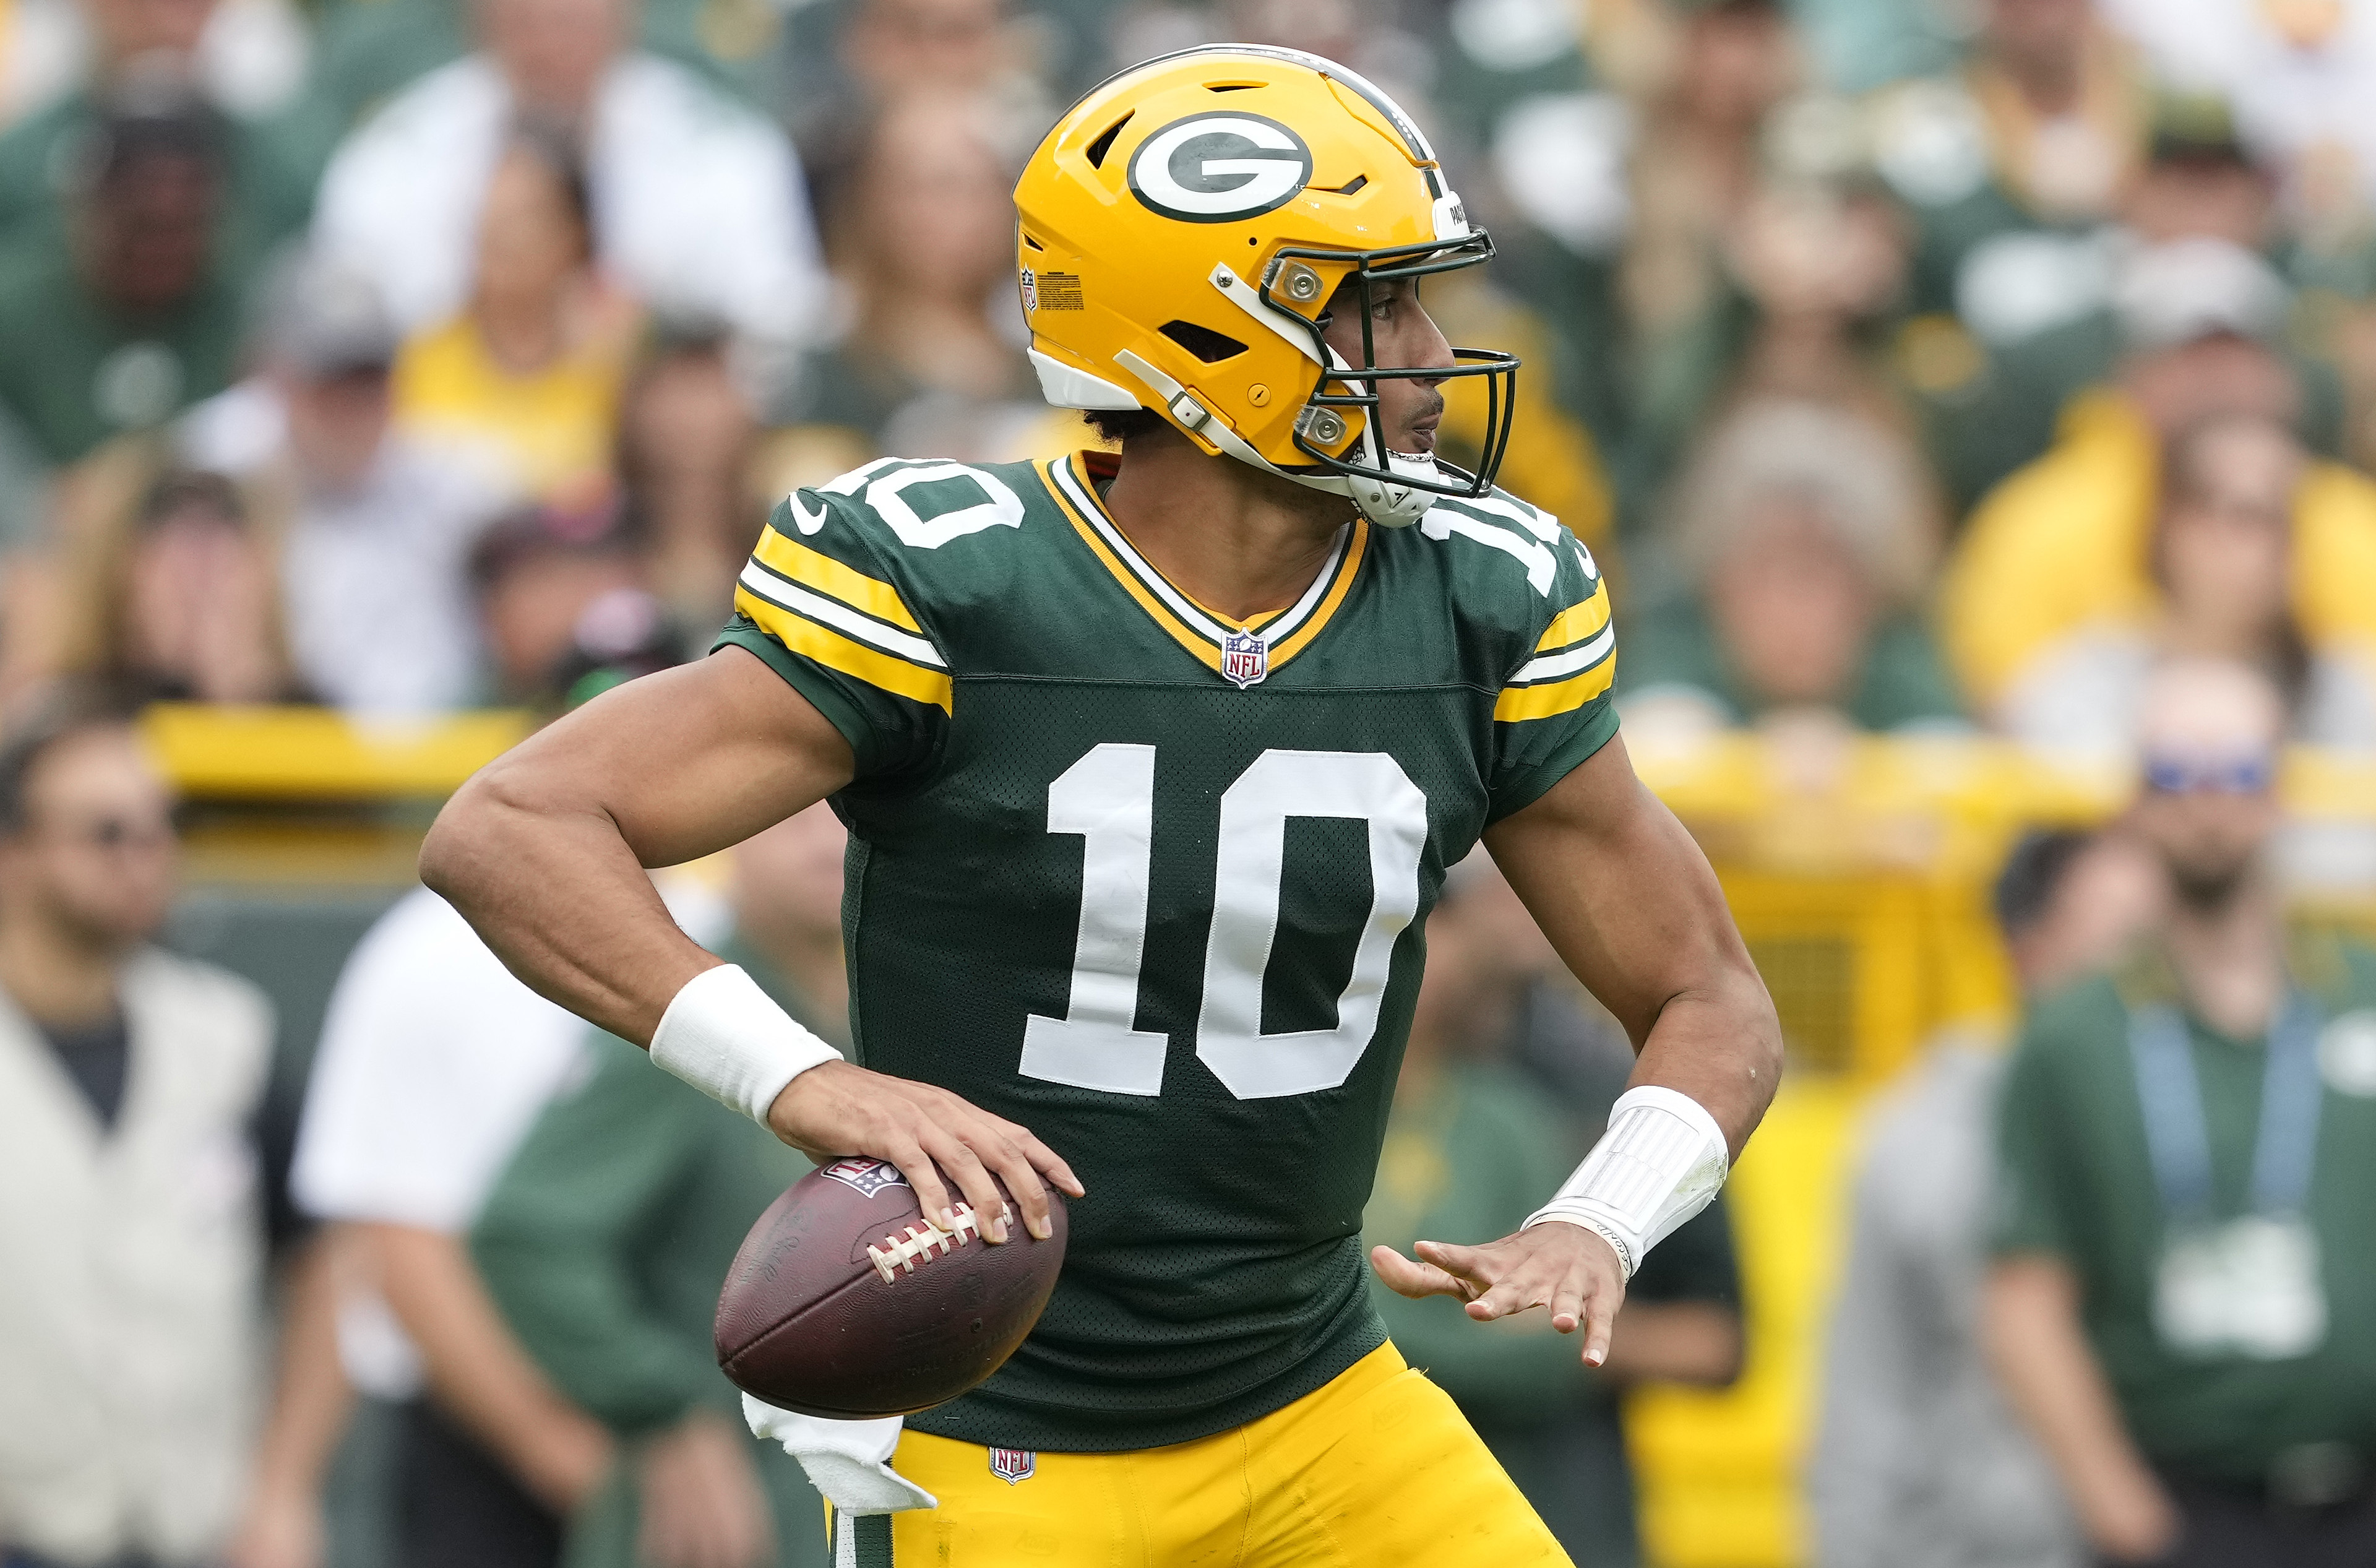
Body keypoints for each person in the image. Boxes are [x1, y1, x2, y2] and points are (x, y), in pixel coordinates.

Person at [421, 44, 1783, 1567]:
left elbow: (1708, 996)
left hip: (1317, 1403)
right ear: (1208, 331)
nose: (1423, 347)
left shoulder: (1479, 601)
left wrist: (1597, 1216)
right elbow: (508, 830)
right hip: (1003, 1442)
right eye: (1374, 302)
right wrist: (812, 1085)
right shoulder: (960, 581)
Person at [290, 693, 729, 1568]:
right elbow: (398, 1234)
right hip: (487, 1431)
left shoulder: (724, 933)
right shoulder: (423, 953)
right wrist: (552, 1443)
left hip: (689, 1427)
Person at [1986, 655, 2376, 1566]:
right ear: (2136, 797)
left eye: (2237, 771)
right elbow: (2024, 1298)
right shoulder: (2075, 1034)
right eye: (2177, 773)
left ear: (2281, 788)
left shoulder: (2361, 997)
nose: (2209, 800)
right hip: (2181, 1503)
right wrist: (2130, 1519)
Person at [471, 803, 852, 1568]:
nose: (821, 836)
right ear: (729, 833)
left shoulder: (919, 1012)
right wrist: (662, 1409)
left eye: (845, 810)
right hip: (735, 1520)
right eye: (789, 812)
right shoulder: (708, 1017)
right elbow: (528, 1229)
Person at [1367, 853, 1743, 1566]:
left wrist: (1535, 1334)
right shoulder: (1321, 1106)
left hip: (1548, 1496)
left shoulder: (1594, 1093)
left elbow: (1716, 1337)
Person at [1810, 825, 2167, 1568]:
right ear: (2028, 952)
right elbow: (1870, 1399)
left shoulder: (2240, 1112)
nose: (2162, 969)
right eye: (2130, 940)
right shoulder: (1925, 1141)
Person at [0, 686, 296, 1568]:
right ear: (14, 852)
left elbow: (323, 1249)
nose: (147, 855)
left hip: (193, 1530)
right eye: (106, 832)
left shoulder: (225, 1035)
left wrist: (282, 1485)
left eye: (163, 825)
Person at [1938, 277, 2376, 721]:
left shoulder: (2353, 520)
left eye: (2241, 358)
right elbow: (2000, 696)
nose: (2219, 381)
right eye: (2193, 360)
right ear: (2135, 372)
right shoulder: (2036, 519)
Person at [310, 0, 826, 355]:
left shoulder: (724, 149)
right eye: (529, 20)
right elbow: (345, 328)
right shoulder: (394, 155)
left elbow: (782, 325)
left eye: (571, 19)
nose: (551, 45)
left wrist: (654, 332)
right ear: (480, 18)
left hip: (659, 456)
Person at [2002, 413, 2376, 751]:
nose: (2274, 546)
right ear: (2171, 524)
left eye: (2287, 519)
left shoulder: (2351, 691)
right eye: (2246, 516)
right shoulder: (2073, 688)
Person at [1619, 399, 1962, 734]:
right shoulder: (1675, 649)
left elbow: (1951, 754)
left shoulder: (1903, 664)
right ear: (1718, 585)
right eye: (1770, 573)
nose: (1797, 606)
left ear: (1871, 593)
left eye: (1823, 572)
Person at [389, 124, 639, 507]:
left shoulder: (615, 363)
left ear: (574, 236)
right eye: (490, 210)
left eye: (523, 216)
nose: (498, 232)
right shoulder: (418, 360)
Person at [0, 85, 246, 464]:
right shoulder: (15, 313)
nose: (162, 250)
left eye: (184, 228)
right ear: (88, 211)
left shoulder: (242, 310)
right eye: (143, 228)